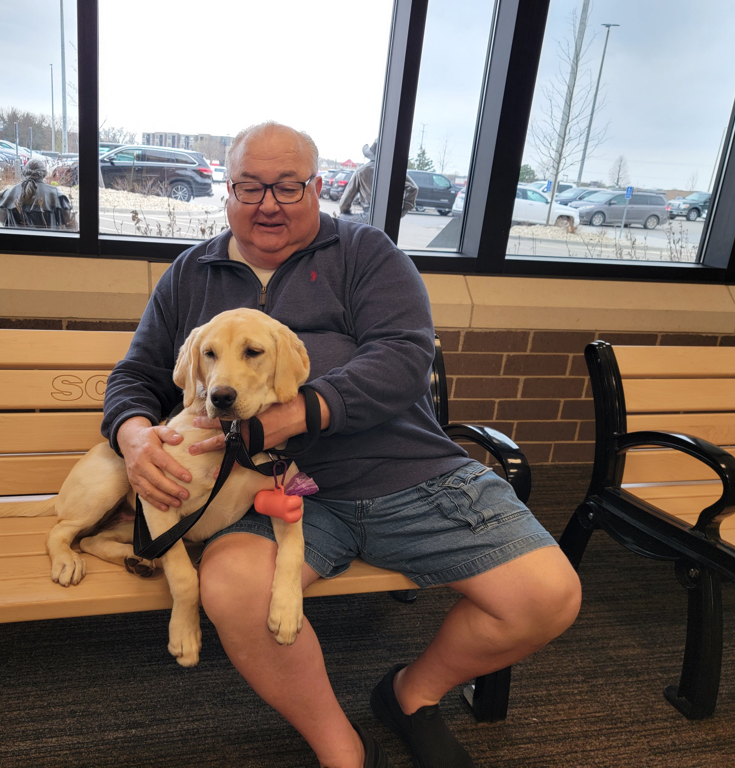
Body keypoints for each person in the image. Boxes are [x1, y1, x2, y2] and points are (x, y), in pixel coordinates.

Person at [102, 121, 581, 768]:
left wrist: (298, 415)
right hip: (269, 493)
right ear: (227, 192)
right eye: (249, 186)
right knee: (235, 589)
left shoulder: (365, 252)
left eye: (287, 186)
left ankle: (412, 694)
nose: (267, 203)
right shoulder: (192, 274)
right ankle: (340, 748)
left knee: (549, 596)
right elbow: (135, 376)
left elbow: (404, 357)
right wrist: (133, 437)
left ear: (318, 188)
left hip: (408, 473)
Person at [338, 139, 418, 222]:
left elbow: (344, 204)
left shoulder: (361, 172)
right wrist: (401, 212)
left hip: (368, 215)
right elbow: (413, 188)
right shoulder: (394, 170)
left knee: (341, 217)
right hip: (390, 214)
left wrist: (345, 213)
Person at [0, 157, 77, 230]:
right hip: (48, 245)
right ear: (44, 173)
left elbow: (3, 219)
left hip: (17, 245)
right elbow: (71, 225)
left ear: (25, 172)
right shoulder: (56, 195)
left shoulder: (9, 193)